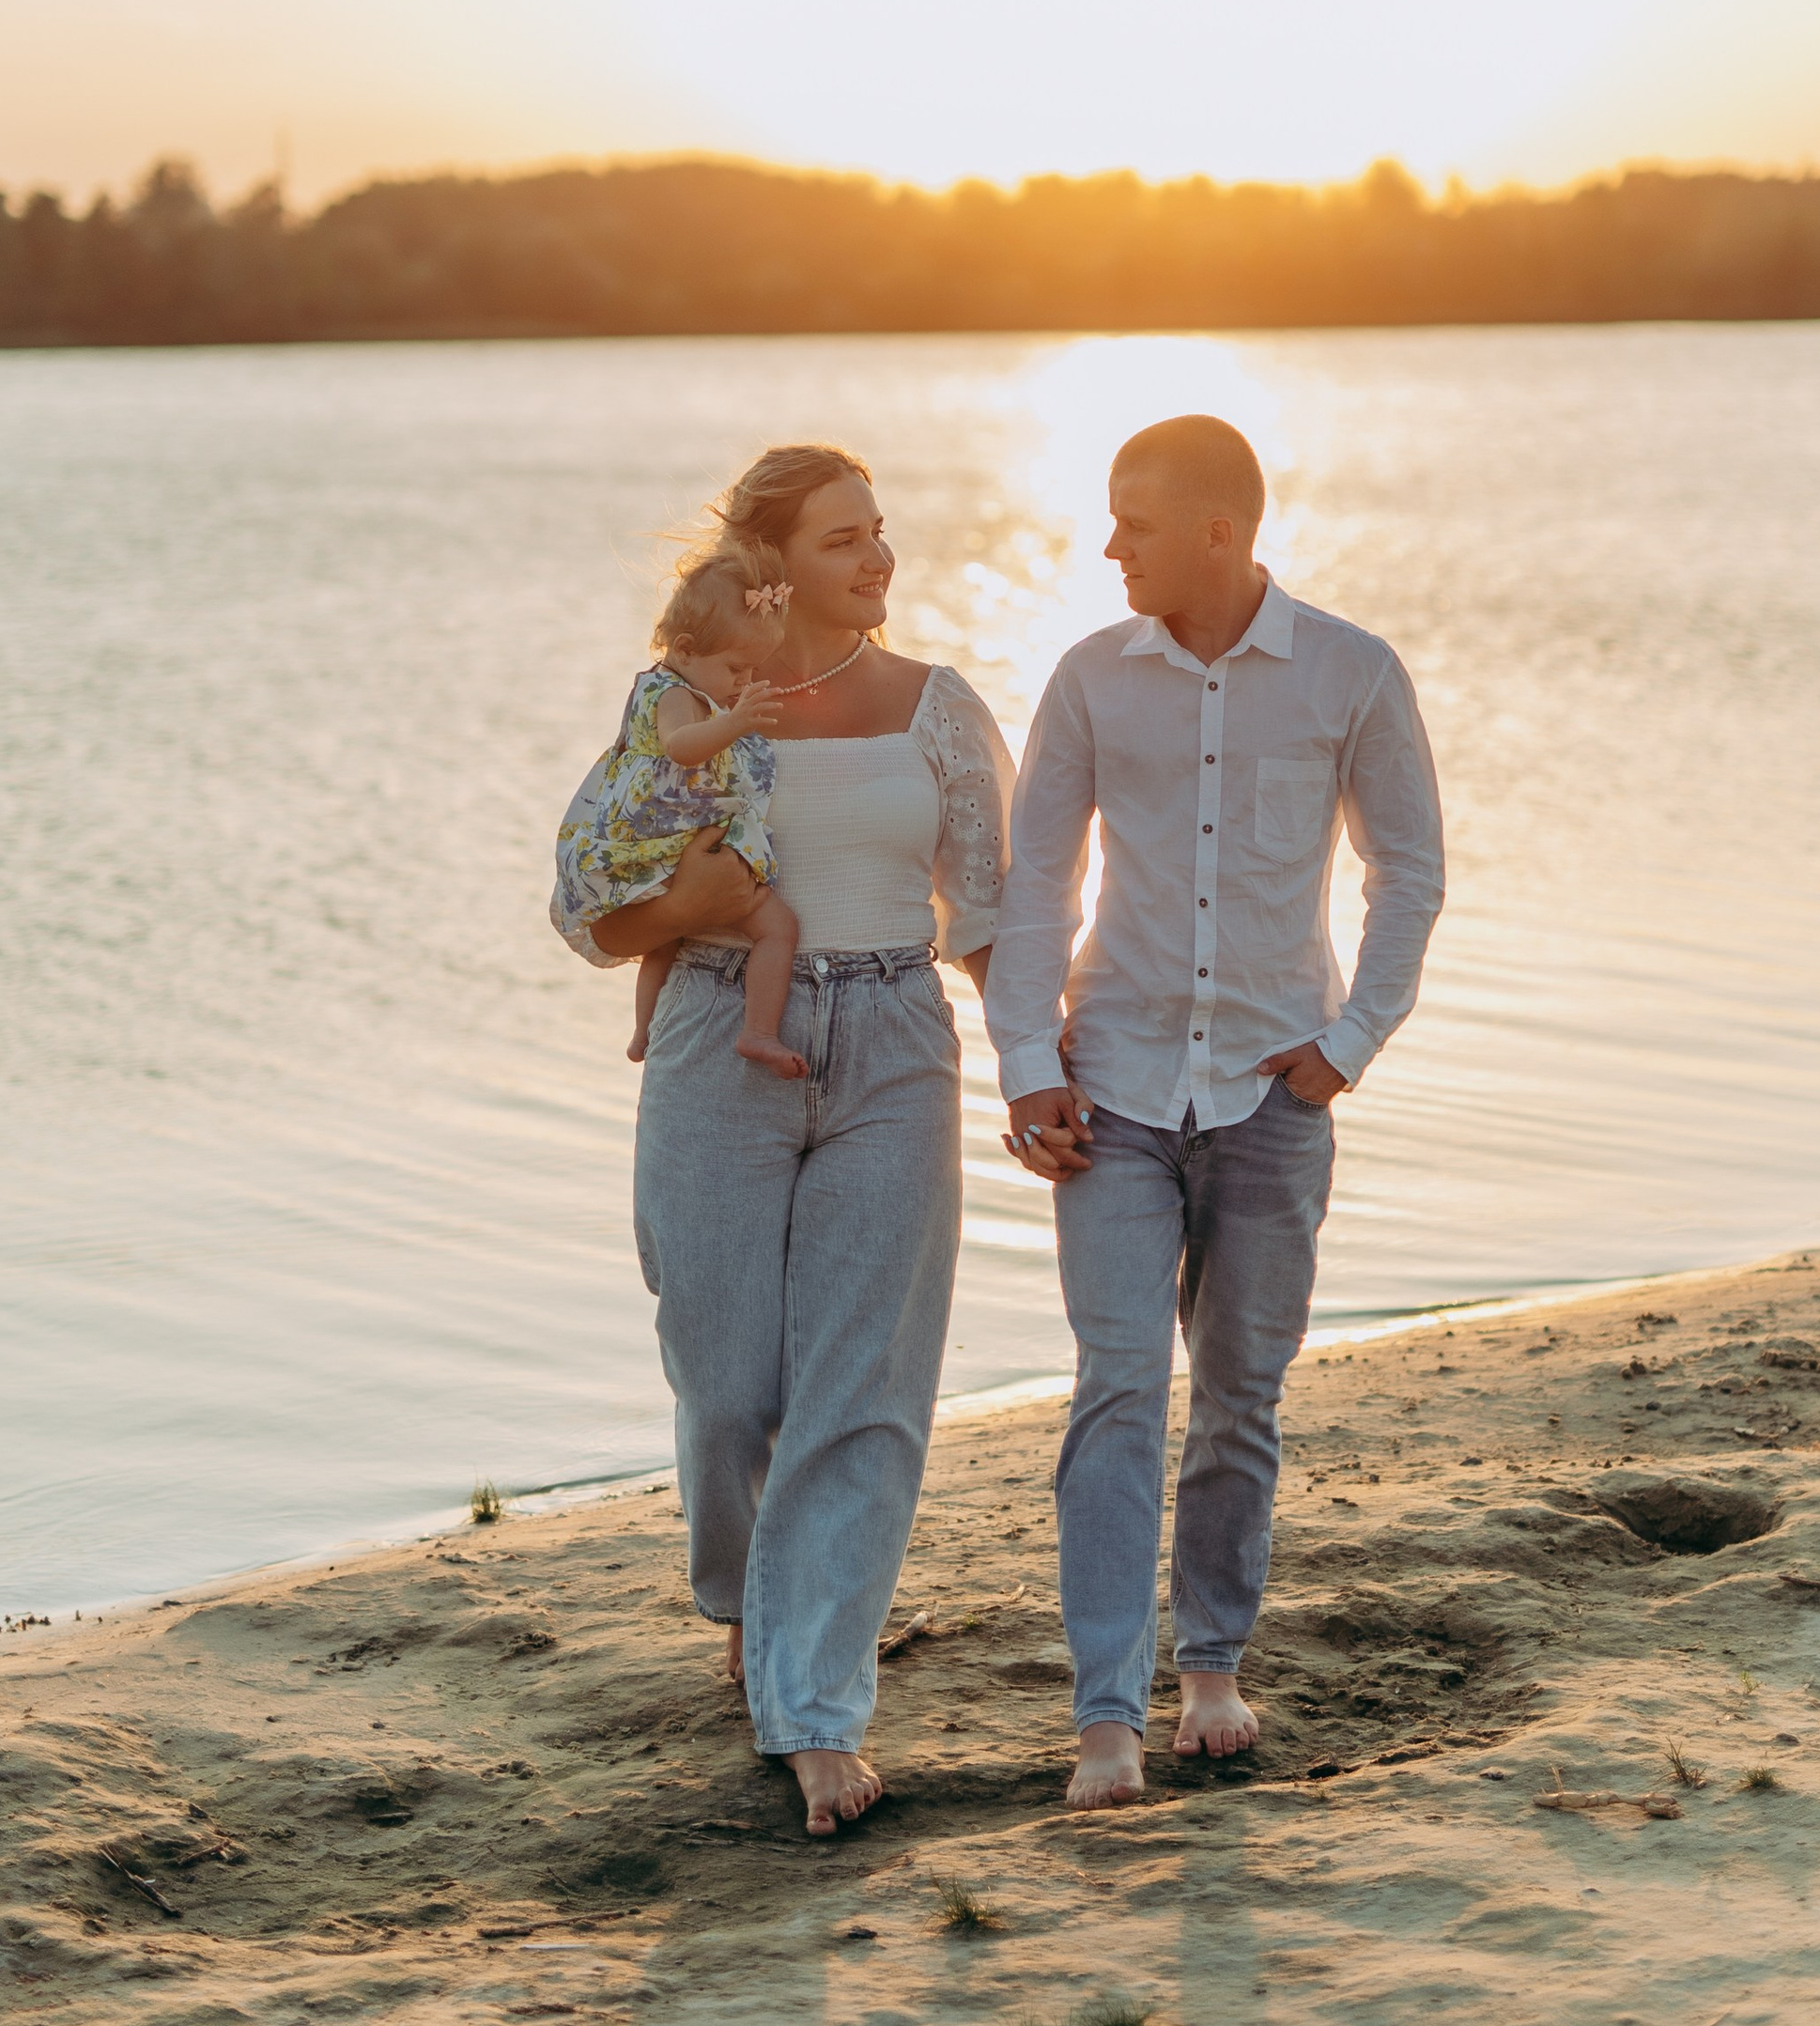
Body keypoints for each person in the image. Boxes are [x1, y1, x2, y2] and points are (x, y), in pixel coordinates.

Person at [986, 413, 1444, 1812]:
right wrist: (1024, 1065)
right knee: (1119, 1389)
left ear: (1219, 530)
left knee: (1240, 1399)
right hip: (1113, 1093)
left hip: (1270, 1096)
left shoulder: (1351, 675)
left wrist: (1349, 1042)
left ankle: (1214, 1671)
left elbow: (1409, 872)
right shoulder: (1085, 682)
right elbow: (1032, 893)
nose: (1108, 544)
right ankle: (1107, 1716)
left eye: (1132, 520)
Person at [556, 442, 1013, 1835]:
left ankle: (817, 1702)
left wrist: (1055, 1072)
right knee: (730, 1380)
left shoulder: (941, 712)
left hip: (892, 1037)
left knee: (861, 1391)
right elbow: (596, 913)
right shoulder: (686, 709)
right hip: (717, 1038)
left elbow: (991, 916)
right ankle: (749, 1603)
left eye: (882, 534)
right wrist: (691, 907)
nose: (878, 561)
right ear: (767, 574)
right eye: (842, 542)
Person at [550, 534, 809, 1076]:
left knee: (665, 942)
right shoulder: (674, 695)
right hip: (669, 835)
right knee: (778, 927)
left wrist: (727, 706)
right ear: (686, 648)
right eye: (738, 669)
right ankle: (758, 1032)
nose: (746, 681)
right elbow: (681, 746)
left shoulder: (668, 682)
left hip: (654, 837)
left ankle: (644, 1030)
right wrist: (733, 722)